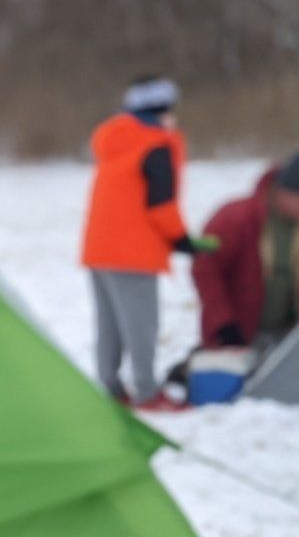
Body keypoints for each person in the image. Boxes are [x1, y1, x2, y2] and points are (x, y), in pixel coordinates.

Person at [80, 75, 217, 412]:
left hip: (98, 249)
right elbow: (161, 205)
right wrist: (182, 240)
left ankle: (110, 388)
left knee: (109, 325)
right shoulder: (156, 145)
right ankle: (147, 392)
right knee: (142, 326)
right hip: (133, 254)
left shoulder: (114, 140)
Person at [192, 151, 299, 354]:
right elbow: (205, 269)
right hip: (238, 336)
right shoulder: (234, 218)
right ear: (281, 192)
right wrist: (223, 325)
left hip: (292, 335)